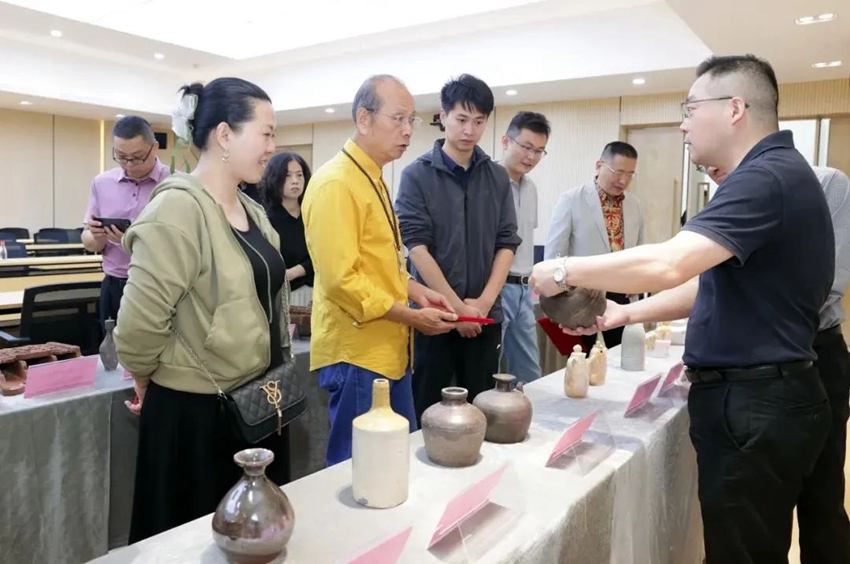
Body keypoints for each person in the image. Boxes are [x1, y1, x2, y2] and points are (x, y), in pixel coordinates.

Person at [530, 54, 834, 562]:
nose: (683, 125)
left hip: (756, 401)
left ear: (734, 108)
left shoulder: (766, 177)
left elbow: (670, 262)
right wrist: (625, 314)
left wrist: (563, 270)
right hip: (762, 397)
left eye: (691, 109)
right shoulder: (771, 172)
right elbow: (704, 284)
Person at [114, 77, 292, 542]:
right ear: (225, 135)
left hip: (254, 405)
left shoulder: (252, 211)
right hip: (195, 418)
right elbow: (137, 327)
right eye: (266, 133)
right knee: (193, 543)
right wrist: (143, 374)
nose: (272, 147)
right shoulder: (177, 210)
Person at [302, 74, 457, 467]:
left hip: (387, 350)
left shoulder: (372, 177)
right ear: (364, 119)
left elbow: (380, 264)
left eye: (411, 120)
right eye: (398, 119)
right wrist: (413, 317)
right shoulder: (336, 183)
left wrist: (417, 291)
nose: (408, 130)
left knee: (390, 465)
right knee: (360, 469)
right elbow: (342, 281)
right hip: (359, 352)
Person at [705, 163, 850, 562]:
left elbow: (824, 285)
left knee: (822, 496)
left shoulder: (827, 183)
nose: (709, 168)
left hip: (814, 352)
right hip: (755, 364)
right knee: (761, 510)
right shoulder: (730, 194)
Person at [395, 74, 521, 421]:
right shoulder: (416, 175)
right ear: (443, 116)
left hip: (485, 317)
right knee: (426, 412)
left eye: (478, 121)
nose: (469, 130)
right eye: (462, 119)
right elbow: (416, 247)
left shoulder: (497, 176)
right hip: (433, 318)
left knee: (482, 413)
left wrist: (482, 304)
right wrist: (458, 309)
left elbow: (507, 242)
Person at [543, 141, 644, 349]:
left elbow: (639, 250)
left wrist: (637, 282)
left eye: (630, 174)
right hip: (581, 296)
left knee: (622, 354)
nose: (623, 180)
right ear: (599, 165)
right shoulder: (572, 199)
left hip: (621, 292)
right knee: (581, 356)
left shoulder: (635, 205)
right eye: (618, 172)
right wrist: (561, 293)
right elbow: (554, 253)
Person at [82, 116, 170, 329]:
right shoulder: (102, 183)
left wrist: (129, 241)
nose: (129, 164)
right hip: (114, 285)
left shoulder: (175, 182)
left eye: (137, 157)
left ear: (155, 147)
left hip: (158, 287)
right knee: (111, 347)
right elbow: (88, 240)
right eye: (121, 157)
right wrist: (96, 236)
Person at [497, 111, 550, 383]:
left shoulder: (531, 188)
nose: (531, 156)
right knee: (488, 368)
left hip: (523, 289)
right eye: (526, 147)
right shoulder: (488, 182)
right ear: (506, 141)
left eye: (539, 151)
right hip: (495, 289)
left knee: (530, 374)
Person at [261, 152, 314, 307]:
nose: (295, 181)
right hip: (284, 296)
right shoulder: (266, 219)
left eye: (299, 175)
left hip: (317, 291)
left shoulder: (312, 213)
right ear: (275, 179)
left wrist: (296, 271)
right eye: (287, 176)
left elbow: (324, 253)